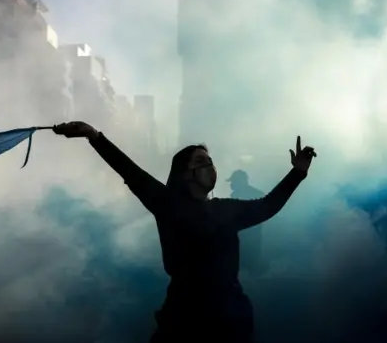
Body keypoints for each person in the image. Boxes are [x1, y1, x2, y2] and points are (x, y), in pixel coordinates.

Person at [53, 121, 316, 343]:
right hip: (184, 315)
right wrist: (94, 136)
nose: (210, 166)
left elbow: (267, 206)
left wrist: (298, 172)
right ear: (185, 172)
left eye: (211, 161)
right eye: (201, 161)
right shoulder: (167, 204)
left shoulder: (226, 209)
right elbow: (129, 170)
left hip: (231, 314)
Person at [227, 170, 267, 277]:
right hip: (249, 238)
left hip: (246, 238)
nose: (232, 184)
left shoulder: (239, 195)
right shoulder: (258, 194)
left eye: (234, 181)